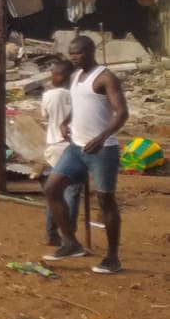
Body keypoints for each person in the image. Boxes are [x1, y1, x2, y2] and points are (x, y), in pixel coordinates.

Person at [43, 36, 129, 274]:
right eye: (71, 53)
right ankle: (71, 242)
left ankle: (112, 258)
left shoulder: (105, 77)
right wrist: (65, 121)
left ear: (91, 51)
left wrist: (100, 138)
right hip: (76, 147)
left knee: (106, 201)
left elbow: (122, 113)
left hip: (103, 149)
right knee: (52, 188)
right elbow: (78, 105)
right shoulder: (75, 77)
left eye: (78, 53)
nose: (74, 57)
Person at [40, 58, 83, 246]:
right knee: (72, 191)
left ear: (60, 76)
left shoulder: (49, 95)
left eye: (53, 74)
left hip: (54, 146)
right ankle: (69, 234)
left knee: (54, 192)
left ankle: (52, 234)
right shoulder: (77, 95)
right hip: (74, 146)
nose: (51, 77)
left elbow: (45, 116)